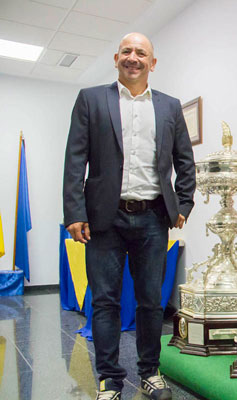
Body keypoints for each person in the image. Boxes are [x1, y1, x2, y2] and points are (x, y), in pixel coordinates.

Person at [63, 32, 196, 400]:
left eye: (141, 53)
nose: (133, 57)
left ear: (152, 63)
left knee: (151, 301)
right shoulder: (91, 100)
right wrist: (74, 211)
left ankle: (150, 372)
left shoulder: (170, 107)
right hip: (103, 219)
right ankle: (110, 380)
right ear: (116, 58)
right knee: (105, 301)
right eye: (127, 51)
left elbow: (185, 161)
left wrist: (183, 205)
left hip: (154, 217)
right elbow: (76, 159)